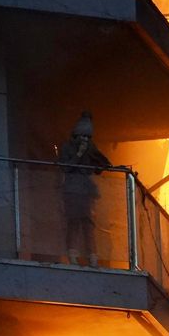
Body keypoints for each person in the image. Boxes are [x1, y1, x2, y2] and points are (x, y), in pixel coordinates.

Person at [57, 111, 112, 266]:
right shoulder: (67, 148)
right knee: (74, 223)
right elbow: (65, 167)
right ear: (76, 135)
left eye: (88, 137)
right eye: (83, 136)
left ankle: (92, 256)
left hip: (86, 192)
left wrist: (100, 163)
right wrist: (79, 154)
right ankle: (72, 254)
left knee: (88, 225)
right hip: (72, 191)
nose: (85, 140)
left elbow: (101, 163)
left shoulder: (90, 148)